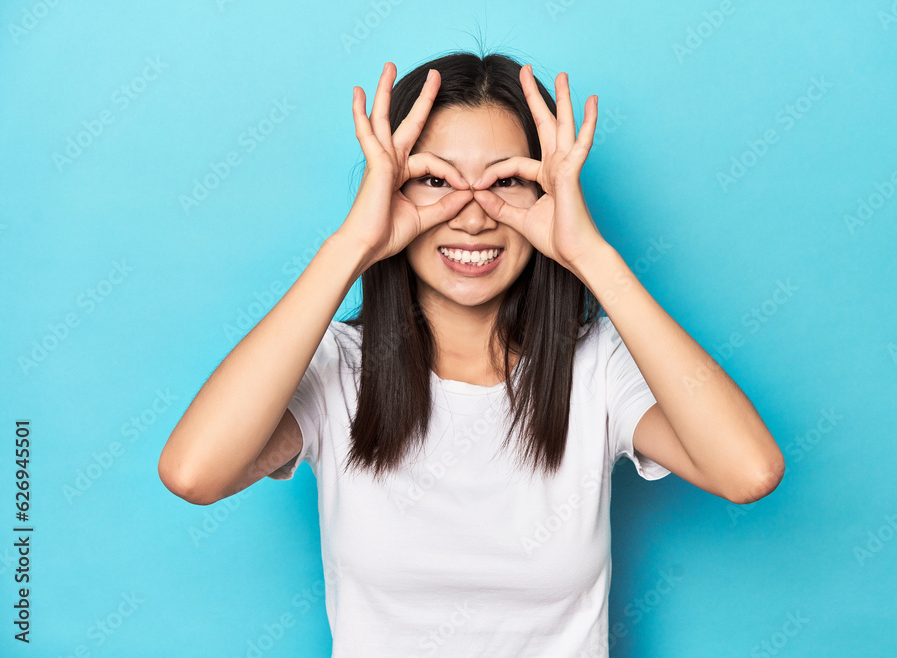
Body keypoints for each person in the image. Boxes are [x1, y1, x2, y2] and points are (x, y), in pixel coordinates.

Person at [158, 49, 785, 657]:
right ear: (391, 190)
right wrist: (352, 245)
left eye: (507, 181)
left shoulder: (597, 367)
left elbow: (748, 472)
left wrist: (590, 256)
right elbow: (194, 473)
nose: (474, 216)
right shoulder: (339, 369)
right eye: (435, 181)